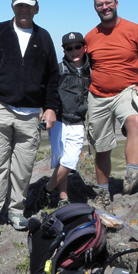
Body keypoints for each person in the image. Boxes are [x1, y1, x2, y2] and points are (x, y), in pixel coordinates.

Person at [0, 0, 60, 231]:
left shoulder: (43, 37)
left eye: (28, 6)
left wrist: (50, 107)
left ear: (36, 9)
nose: (24, 9)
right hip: (0, 107)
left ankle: (16, 211)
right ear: (13, 7)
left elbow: (53, 76)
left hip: (31, 113)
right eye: (19, 5)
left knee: (23, 168)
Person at [84, 0, 138, 200]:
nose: (105, 7)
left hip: (125, 92)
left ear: (117, 4)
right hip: (98, 95)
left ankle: (132, 176)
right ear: (95, 8)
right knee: (101, 147)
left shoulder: (134, 30)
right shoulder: (90, 37)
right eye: (100, 5)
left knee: (135, 121)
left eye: (108, 3)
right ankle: (103, 191)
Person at [34, 31, 91, 208]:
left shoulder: (91, 70)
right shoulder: (59, 70)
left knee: (69, 161)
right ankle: (63, 197)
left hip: (77, 122)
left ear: (84, 47)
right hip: (59, 121)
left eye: (77, 47)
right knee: (62, 161)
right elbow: (46, 90)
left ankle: (46, 190)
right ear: (64, 51)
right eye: (69, 49)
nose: (74, 51)